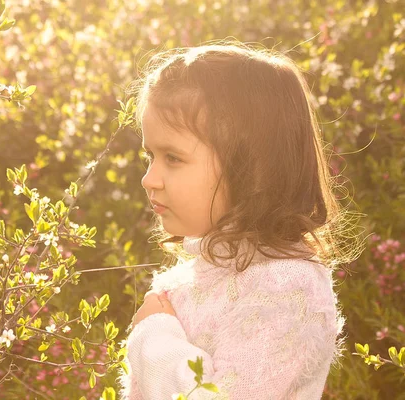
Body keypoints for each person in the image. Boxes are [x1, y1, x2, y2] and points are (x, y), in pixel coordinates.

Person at [118, 42, 364, 399]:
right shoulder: (195, 275)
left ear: (248, 166)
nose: (149, 178)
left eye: (172, 158)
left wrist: (154, 337)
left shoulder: (287, 287)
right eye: (149, 156)